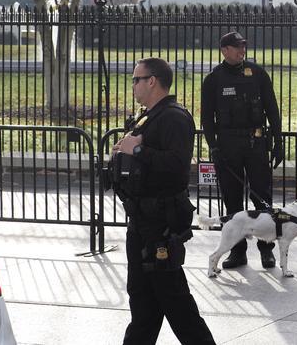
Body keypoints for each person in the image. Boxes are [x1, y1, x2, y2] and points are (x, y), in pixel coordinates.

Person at [112, 57, 215, 344]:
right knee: (143, 304)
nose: (133, 85)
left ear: (152, 81)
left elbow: (177, 164)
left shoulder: (174, 117)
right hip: (141, 220)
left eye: (136, 79)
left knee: (177, 305)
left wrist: (139, 150)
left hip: (160, 223)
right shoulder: (149, 116)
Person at [200, 31, 284, 270]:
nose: (242, 51)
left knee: (262, 198)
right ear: (224, 50)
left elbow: (272, 110)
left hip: (255, 144)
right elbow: (207, 117)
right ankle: (237, 253)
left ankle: (267, 251)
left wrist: (278, 142)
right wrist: (213, 146)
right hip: (227, 146)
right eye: (237, 47)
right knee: (233, 201)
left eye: (243, 47)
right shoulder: (214, 79)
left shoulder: (257, 74)